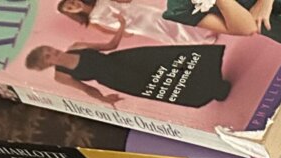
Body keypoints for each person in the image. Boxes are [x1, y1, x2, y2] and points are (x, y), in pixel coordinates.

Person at [25, 42, 229, 108]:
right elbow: (87, 88)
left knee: (167, 60)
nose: (53, 53)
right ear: (46, 64)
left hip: (122, 59)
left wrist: (122, 24)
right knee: (162, 84)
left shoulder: (76, 46)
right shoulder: (60, 76)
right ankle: (211, 90)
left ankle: (214, 78)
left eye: (49, 49)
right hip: (117, 79)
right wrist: (105, 99)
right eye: (47, 56)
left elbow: (109, 46)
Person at [58, 0, 218, 47]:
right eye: (70, 8)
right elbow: (104, 31)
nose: (74, 5)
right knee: (162, 33)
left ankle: (201, 33)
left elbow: (123, 1)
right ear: (71, 13)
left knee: (169, 19)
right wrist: (121, 29)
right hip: (130, 23)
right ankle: (198, 42)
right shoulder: (91, 20)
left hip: (138, 11)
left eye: (71, 2)